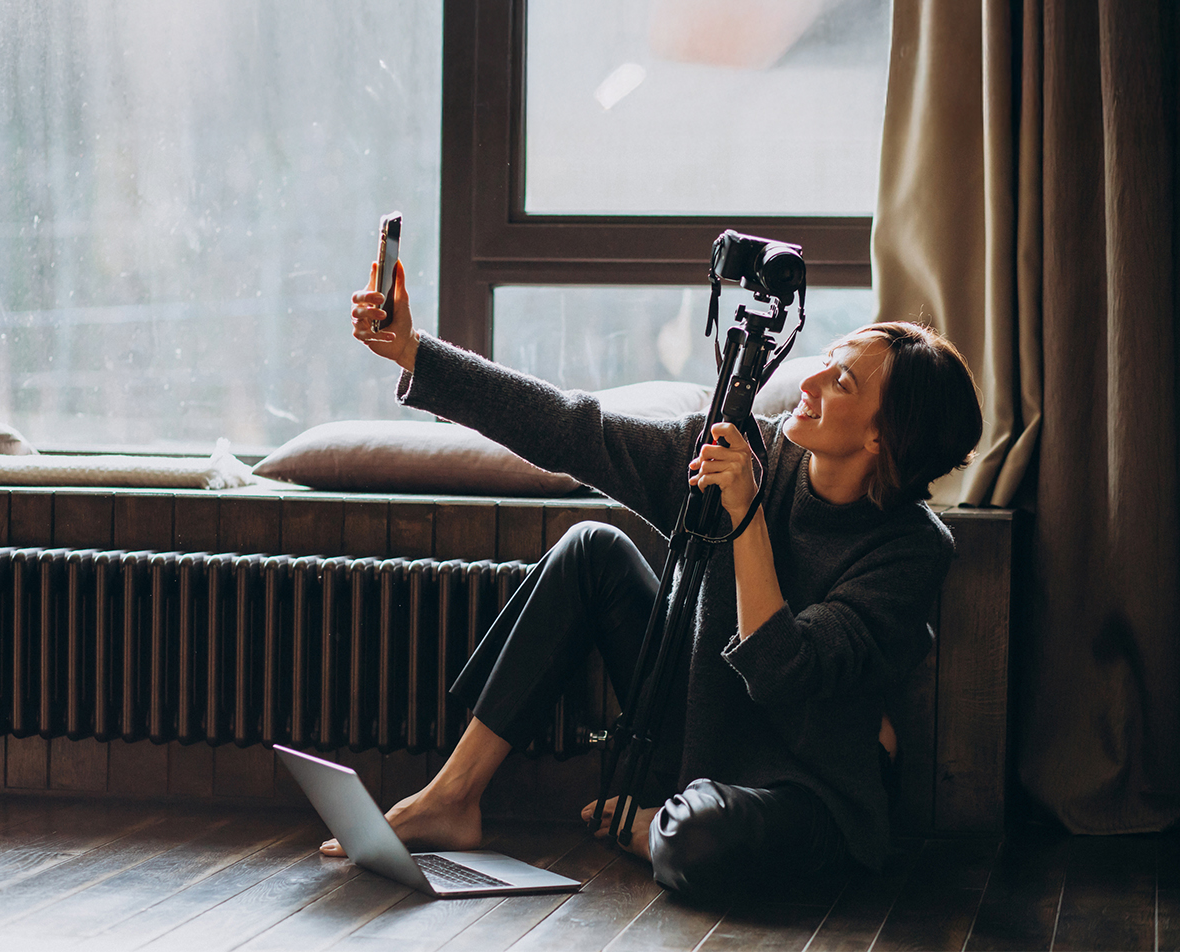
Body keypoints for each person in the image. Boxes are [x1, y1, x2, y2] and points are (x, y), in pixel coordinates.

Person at [322, 260, 984, 898]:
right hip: (694, 727)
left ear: (881, 438)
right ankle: (451, 798)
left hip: (800, 785)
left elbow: (780, 673)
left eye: (841, 382)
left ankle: (653, 829)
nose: (809, 380)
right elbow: (573, 429)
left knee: (702, 842)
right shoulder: (742, 448)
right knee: (591, 548)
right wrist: (414, 351)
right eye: (827, 359)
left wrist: (747, 514)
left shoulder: (911, 549)